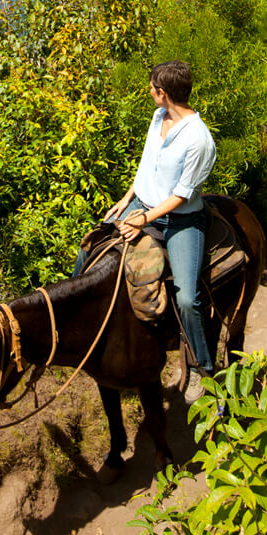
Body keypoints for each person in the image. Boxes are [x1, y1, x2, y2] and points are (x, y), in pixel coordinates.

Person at [89, 60, 217, 395]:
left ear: (163, 93)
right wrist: (127, 198)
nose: (149, 92)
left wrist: (143, 219)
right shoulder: (158, 117)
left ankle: (203, 366)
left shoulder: (198, 140)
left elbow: (181, 196)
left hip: (179, 220)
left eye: (151, 88)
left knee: (188, 297)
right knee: (91, 245)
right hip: (140, 204)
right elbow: (147, 164)